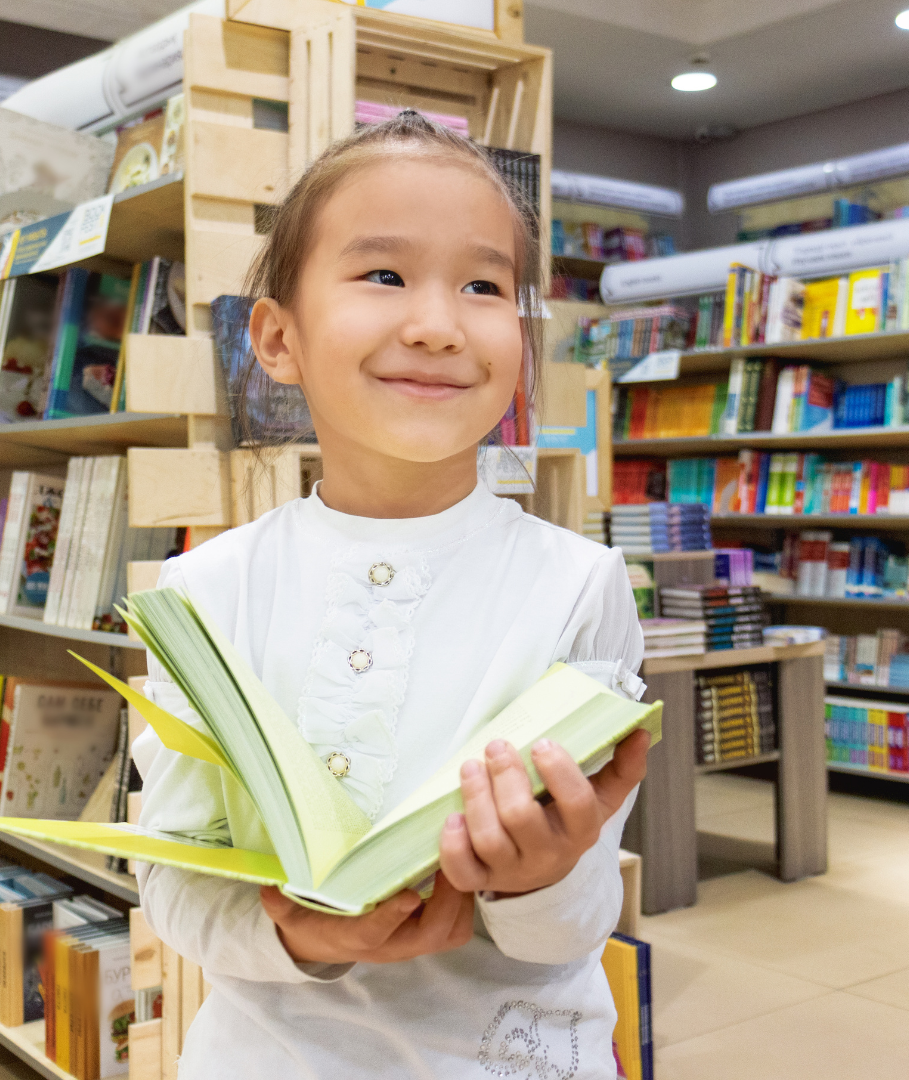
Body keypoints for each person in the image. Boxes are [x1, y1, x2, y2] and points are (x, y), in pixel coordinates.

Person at [131, 110, 650, 1079]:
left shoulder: (581, 582)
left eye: (484, 286)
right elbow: (171, 875)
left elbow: (579, 918)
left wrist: (538, 879)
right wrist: (305, 937)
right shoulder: (203, 590)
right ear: (276, 339)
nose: (437, 325)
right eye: (383, 274)